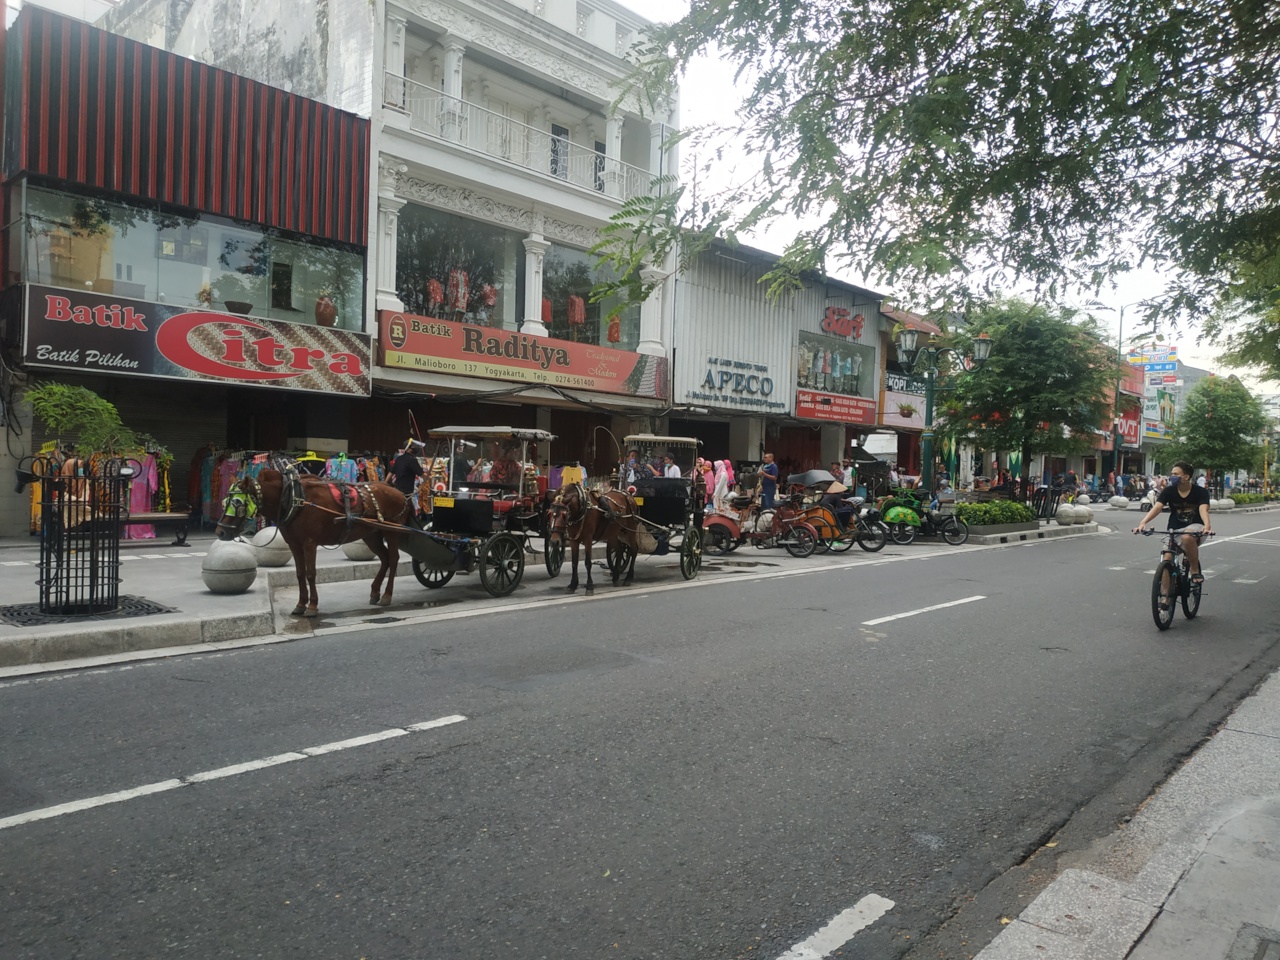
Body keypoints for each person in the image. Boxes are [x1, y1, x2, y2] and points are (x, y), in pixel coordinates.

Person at [1134, 460, 1212, 589]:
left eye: (1176, 474)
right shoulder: (1169, 491)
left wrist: (1207, 527)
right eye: (1172, 474)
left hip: (1196, 527)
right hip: (1175, 529)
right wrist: (1143, 523)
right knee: (1167, 559)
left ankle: (1194, 570)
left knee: (1188, 537)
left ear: (1186, 477)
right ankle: (1165, 596)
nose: (1172, 476)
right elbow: (1157, 508)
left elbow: (1203, 509)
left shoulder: (1200, 492)